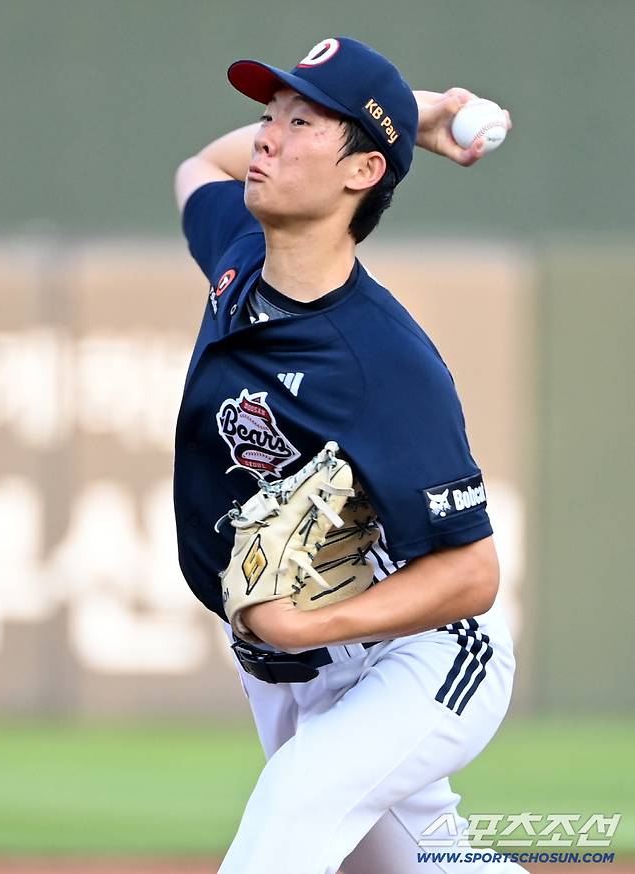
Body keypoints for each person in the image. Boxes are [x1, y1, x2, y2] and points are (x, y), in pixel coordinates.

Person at [173, 36, 524, 874]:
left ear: (362, 172)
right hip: (291, 670)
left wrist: (316, 624)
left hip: (423, 648)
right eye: (269, 115)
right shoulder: (239, 256)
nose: (265, 137)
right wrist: (423, 109)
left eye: (302, 124)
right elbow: (198, 168)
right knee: (429, 868)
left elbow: (472, 574)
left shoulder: (383, 361)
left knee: (288, 816)